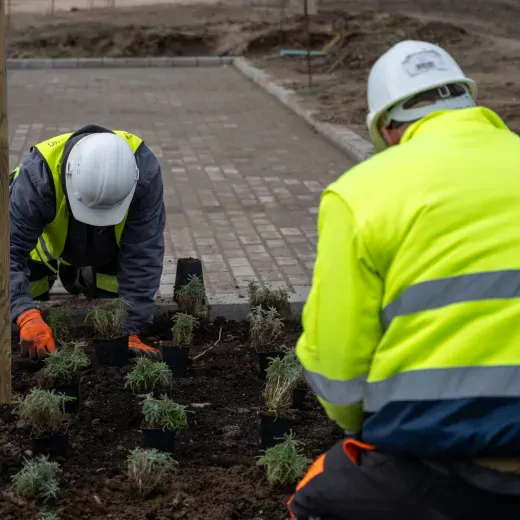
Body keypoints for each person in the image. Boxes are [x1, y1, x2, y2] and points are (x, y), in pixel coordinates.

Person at [289, 40, 520, 519]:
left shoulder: (361, 193)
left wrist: (365, 425)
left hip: (441, 456)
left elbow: (337, 372)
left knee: (316, 502)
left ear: (387, 129)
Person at [10, 125, 165, 360]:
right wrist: (26, 314)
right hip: (42, 250)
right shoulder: (37, 177)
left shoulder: (144, 174)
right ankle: (55, 278)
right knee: (26, 298)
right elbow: (8, 252)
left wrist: (130, 328)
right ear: (68, 176)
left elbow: (144, 252)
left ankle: (81, 274)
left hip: (106, 246)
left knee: (110, 300)